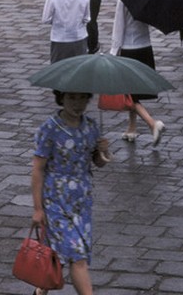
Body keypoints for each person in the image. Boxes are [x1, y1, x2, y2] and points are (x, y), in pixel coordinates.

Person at [31, 90, 110, 295]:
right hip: (55, 199)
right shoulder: (50, 129)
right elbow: (38, 169)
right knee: (77, 254)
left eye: (83, 98)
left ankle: (41, 290)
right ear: (62, 98)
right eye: (72, 98)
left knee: (60, 250)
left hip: (82, 200)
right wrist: (38, 209)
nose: (78, 103)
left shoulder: (91, 126)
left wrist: (105, 150)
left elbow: (98, 162)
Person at [109, 0, 166, 144]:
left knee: (129, 95)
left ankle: (152, 124)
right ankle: (132, 128)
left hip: (129, 49)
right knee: (133, 92)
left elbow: (118, 27)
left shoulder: (123, 0)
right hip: (145, 47)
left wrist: (113, 52)